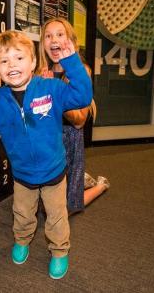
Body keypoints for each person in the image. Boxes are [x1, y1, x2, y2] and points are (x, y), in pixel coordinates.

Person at [0, 30, 92, 279]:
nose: (12, 65)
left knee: (56, 216)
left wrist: (71, 63)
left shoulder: (51, 88)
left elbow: (83, 96)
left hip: (54, 171)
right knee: (22, 213)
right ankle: (22, 240)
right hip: (23, 174)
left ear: (32, 62)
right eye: (5, 61)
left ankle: (59, 252)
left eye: (19, 58)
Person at [37, 17, 110, 215]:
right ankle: (80, 180)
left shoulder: (81, 72)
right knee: (42, 206)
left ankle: (100, 185)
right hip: (47, 140)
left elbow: (79, 123)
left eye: (60, 35)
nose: (54, 40)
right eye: (48, 36)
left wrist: (54, 91)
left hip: (69, 139)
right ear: (43, 43)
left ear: (70, 42)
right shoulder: (40, 72)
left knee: (66, 209)